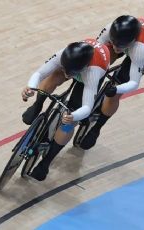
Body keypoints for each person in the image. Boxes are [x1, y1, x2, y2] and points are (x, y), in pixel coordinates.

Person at [21, 15, 144, 150]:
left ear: (133, 40)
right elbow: (95, 53)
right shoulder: (109, 30)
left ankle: (97, 127)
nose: (116, 48)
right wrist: (31, 88)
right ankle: (38, 104)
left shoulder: (140, 49)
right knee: (59, 73)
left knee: (114, 91)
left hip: (141, 53)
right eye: (114, 42)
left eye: (120, 46)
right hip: (102, 56)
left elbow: (134, 82)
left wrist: (115, 90)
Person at [22, 39, 110, 181]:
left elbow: (87, 107)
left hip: (88, 76)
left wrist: (74, 116)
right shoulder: (63, 55)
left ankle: (46, 162)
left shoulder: (93, 72)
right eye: (65, 70)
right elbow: (39, 73)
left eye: (71, 73)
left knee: (69, 121)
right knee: (53, 76)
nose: (68, 75)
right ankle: (37, 104)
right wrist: (30, 87)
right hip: (75, 66)